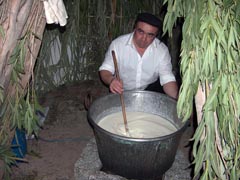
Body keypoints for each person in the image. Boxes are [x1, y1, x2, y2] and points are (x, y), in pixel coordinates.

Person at [99, 12, 178, 100]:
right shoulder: (118, 45)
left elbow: (167, 79)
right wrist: (111, 80)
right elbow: (105, 70)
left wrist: (179, 101)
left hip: (150, 91)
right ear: (134, 28)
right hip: (122, 91)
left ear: (156, 35)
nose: (144, 38)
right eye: (141, 32)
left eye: (150, 35)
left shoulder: (161, 50)